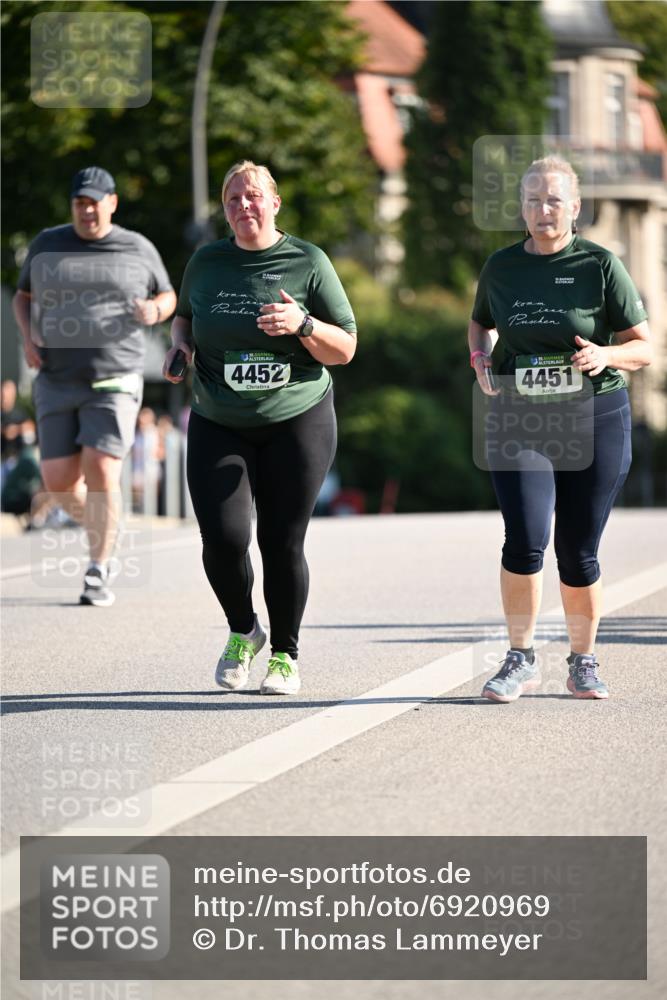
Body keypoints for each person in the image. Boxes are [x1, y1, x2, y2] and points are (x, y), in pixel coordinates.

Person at [164, 160, 356, 695]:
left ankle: (286, 655)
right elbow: (184, 315)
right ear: (225, 210)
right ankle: (243, 630)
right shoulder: (206, 262)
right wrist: (180, 345)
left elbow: (345, 348)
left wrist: (304, 324)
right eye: (233, 200)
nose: (243, 206)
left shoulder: (308, 262)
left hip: (297, 418)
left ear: (274, 203)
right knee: (223, 540)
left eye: (253, 196)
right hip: (218, 417)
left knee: (280, 541)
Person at [469, 156, 651, 703]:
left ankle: (582, 661)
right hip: (520, 417)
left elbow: (645, 346)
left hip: (595, 418)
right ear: (521, 208)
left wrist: (606, 352)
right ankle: (520, 658)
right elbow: (482, 321)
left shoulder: (599, 264)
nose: (542, 210)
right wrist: (479, 357)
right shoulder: (501, 267)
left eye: (553, 200)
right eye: (532, 200)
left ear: (574, 207)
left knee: (578, 551)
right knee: (524, 540)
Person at [12, 166, 177, 606]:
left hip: (115, 378)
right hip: (56, 379)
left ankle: (97, 569)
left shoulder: (137, 247)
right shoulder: (48, 244)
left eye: (94, 202)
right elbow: (22, 297)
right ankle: (106, 528)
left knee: (102, 468)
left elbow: (168, 295)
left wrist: (155, 312)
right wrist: (28, 339)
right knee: (58, 482)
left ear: (112, 203)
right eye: (79, 203)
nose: (87, 210)